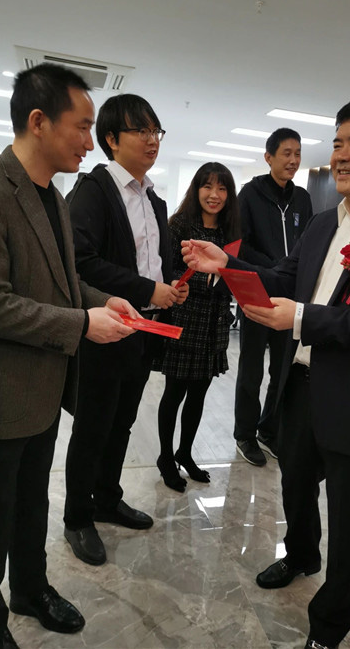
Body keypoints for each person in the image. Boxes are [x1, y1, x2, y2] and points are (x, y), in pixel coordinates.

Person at [181, 95, 350, 649]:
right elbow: (285, 276)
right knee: (296, 488)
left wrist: (303, 318)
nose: (340, 156)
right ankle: (301, 556)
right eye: (336, 143)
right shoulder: (325, 222)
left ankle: (327, 631)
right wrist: (227, 263)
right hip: (300, 389)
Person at [0, 64, 137, 649]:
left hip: (43, 386)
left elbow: (61, 284)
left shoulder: (54, 197)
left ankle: (30, 590)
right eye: (82, 126)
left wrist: (102, 301)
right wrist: (82, 323)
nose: (90, 141)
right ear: (39, 122)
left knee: (33, 501)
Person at [63, 94, 188, 566]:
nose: (152, 140)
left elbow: (153, 261)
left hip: (143, 330)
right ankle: (77, 517)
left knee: (122, 421)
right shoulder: (94, 191)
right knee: (93, 426)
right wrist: (146, 288)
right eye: (141, 131)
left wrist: (170, 285)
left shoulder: (154, 198)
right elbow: (81, 262)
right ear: (112, 139)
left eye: (156, 131)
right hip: (105, 327)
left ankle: (107, 499)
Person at [153, 162, 240, 492]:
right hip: (184, 319)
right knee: (174, 392)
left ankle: (185, 452)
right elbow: (165, 269)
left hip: (214, 324)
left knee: (199, 394)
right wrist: (204, 281)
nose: (214, 195)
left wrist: (224, 282)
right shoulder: (179, 225)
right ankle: (165, 457)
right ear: (197, 189)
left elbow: (234, 273)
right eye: (208, 186)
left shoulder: (229, 232)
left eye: (222, 188)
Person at [234, 128, 312, 466]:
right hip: (256, 294)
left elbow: (308, 243)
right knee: (251, 370)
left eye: (298, 154)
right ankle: (245, 434)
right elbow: (240, 244)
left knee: (282, 371)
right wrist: (276, 266)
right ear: (269, 157)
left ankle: (269, 430)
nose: (293, 160)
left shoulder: (302, 199)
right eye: (286, 153)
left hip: (290, 300)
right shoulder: (250, 195)